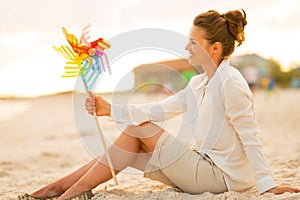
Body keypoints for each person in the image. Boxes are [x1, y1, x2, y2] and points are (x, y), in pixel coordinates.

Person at [18, 9, 300, 200]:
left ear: (214, 48)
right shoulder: (198, 83)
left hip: (221, 177)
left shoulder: (231, 82)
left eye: (193, 42)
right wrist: (110, 109)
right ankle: (52, 191)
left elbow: (250, 137)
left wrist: (267, 185)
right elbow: (160, 110)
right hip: (200, 166)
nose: (187, 48)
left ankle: (72, 191)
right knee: (120, 150)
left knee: (137, 130)